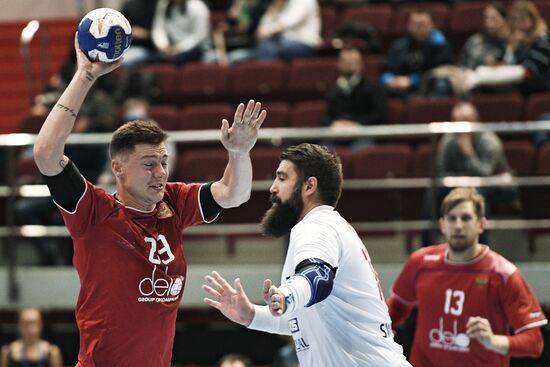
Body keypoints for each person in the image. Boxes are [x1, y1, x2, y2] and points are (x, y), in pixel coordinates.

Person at [32, 33, 266, 366]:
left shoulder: (174, 202)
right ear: (118, 168)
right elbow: (45, 153)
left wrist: (240, 154)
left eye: (164, 162)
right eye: (149, 164)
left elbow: (234, 194)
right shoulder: (93, 211)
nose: (160, 173)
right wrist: (85, 75)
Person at [202, 143, 412, 366]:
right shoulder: (330, 226)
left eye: (282, 178)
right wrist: (251, 315)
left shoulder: (316, 227)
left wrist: (287, 295)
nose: (273, 188)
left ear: (309, 186)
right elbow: (304, 320)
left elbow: (317, 276)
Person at [388, 187, 547, 367]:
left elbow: (535, 342)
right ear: (442, 224)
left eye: (466, 218)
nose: (458, 225)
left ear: (481, 224)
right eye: (452, 218)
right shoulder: (420, 263)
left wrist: (493, 341)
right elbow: (397, 308)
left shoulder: (503, 274)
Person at [421, 101, 514, 246]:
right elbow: (441, 172)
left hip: (490, 185)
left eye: (465, 121)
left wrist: (468, 152)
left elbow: (484, 174)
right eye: (456, 121)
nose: (460, 126)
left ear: (475, 121)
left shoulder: (489, 140)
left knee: (479, 193)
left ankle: (482, 247)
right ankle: (427, 249)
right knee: (431, 193)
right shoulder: (449, 139)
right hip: (457, 184)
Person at [466, 0, 550, 95]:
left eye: (522, 19)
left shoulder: (543, 41)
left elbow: (531, 70)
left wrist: (518, 50)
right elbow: (501, 61)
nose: (518, 24)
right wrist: (507, 51)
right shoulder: (511, 40)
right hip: (517, 87)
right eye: (514, 19)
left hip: (538, 89)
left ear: (533, 21)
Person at [321, 47, 386, 148]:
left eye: (353, 61)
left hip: (364, 133)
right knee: (324, 154)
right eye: (345, 61)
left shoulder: (373, 87)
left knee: (361, 151)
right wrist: (334, 123)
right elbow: (325, 116)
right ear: (338, 64)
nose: (349, 64)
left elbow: (379, 114)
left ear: (361, 64)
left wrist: (356, 123)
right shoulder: (333, 90)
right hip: (337, 135)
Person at [381, 9, 453, 98]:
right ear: (409, 25)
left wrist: (412, 80)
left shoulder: (440, 45)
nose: (418, 27)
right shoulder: (398, 46)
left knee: (441, 84)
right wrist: (389, 80)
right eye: (414, 24)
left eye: (422, 24)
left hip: (426, 84)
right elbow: (386, 69)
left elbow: (439, 71)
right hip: (399, 84)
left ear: (432, 25)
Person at [254, 0, 321, 60]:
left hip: (304, 43)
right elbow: (264, 27)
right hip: (283, 41)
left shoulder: (305, 1)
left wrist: (268, 30)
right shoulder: (285, 2)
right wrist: (275, 7)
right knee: (264, 44)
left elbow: (290, 20)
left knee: (271, 48)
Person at [457, 2, 509, 70]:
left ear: (504, 20)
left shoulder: (511, 42)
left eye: (494, 18)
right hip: (473, 77)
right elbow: (465, 64)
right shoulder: (475, 40)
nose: (488, 23)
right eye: (486, 18)